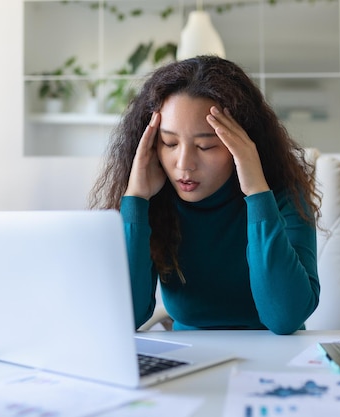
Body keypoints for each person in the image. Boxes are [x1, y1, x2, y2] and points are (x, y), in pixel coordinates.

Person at [89, 55, 320, 335]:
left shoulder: (283, 194)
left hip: (276, 362)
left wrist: (258, 194)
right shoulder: (156, 202)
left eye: (206, 146)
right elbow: (124, 317)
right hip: (190, 360)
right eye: (169, 143)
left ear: (243, 145)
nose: (184, 164)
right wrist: (136, 200)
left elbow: (285, 318)